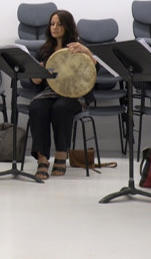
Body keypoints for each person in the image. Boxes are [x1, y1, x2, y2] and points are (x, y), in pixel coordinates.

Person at [28, 10, 97, 180]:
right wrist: (36, 76)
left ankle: (61, 154)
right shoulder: (44, 49)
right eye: (52, 24)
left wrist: (86, 51)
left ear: (67, 26)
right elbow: (36, 81)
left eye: (59, 24)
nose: (55, 27)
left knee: (61, 108)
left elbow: (95, 69)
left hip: (74, 94)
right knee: (37, 107)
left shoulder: (78, 47)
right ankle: (42, 159)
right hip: (48, 92)